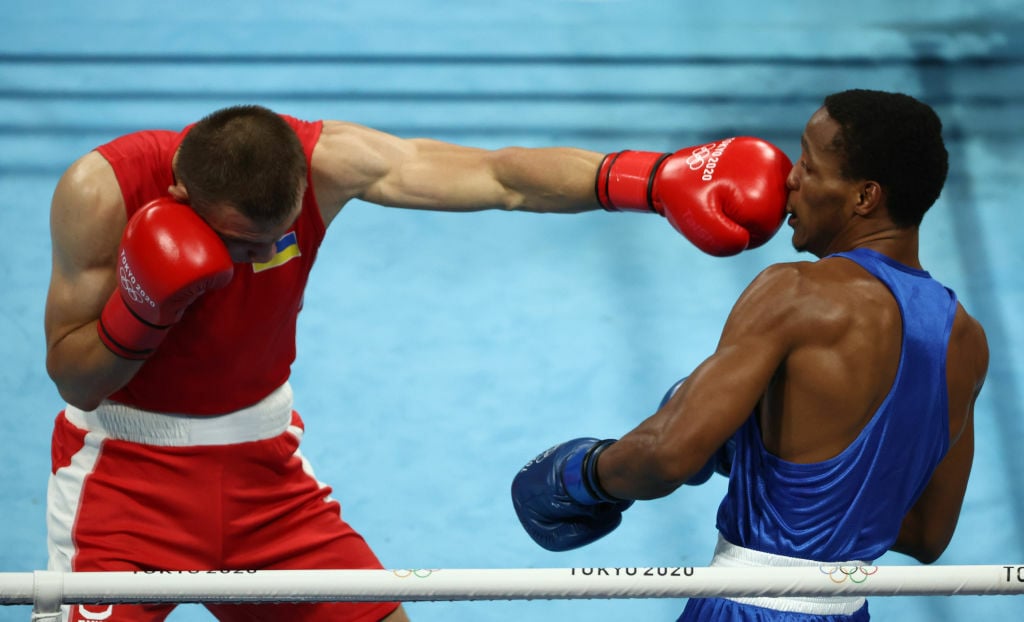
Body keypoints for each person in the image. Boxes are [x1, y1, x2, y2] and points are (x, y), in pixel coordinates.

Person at [43, 103, 792, 622]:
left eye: (271, 240)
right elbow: (74, 376)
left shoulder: (326, 158)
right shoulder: (101, 189)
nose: (254, 259)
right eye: (239, 244)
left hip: (264, 475)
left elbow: (502, 178)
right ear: (178, 193)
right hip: (125, 478)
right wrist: (143, 311)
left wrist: (649, 180)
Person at [511, 89, 989, 621]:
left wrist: (584, 474)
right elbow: (928, 534)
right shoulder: (966, 340)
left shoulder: (798, 292)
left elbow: (668, 455)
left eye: (809, 164)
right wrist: (773, 468)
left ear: (864, 197)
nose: (789, 178)